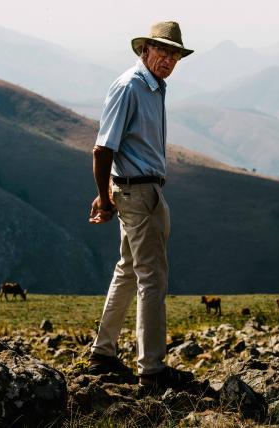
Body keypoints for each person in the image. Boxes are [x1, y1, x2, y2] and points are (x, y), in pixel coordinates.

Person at [87, 21, 195, 389]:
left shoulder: (154, 88)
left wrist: (112, 187)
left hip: (139, 190)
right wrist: (105, 195)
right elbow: (103, 147)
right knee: (152, 279)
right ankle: (152, 370)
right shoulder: (131, 86)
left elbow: (117, 150)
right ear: (144, 50)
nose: (168, 59)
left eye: (175, 54)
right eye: (162, 50)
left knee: (129, 270)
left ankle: (103, 354)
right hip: (138, 193)